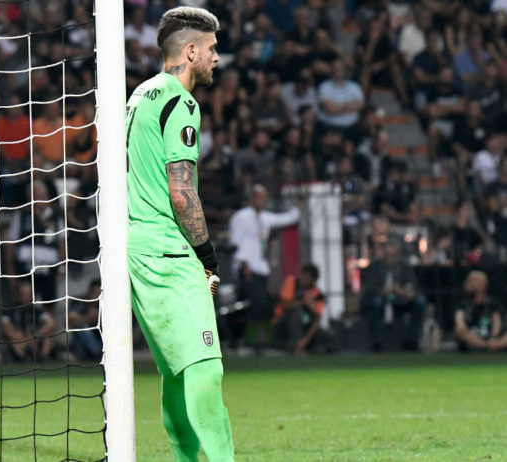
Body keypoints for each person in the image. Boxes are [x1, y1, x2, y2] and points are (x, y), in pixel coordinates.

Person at [125, 7, 234, 462]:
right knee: (205, 366)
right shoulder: (180, 102)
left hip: (136, 247)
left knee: (176, 368)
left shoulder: (139, 95)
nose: (216, 58)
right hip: (169, 250)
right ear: (190, 51)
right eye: (211, 49)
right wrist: (207, 256)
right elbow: (182, 193)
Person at [229, 184, 300, 346]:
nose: (262, 201)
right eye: (260, 198)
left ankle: (255, 339)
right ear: (252, 198)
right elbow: (236, 243)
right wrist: (244, 264)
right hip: (247, 268)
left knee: (260, 305)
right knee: (251, 304)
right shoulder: (241, 217)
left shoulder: (264, 218)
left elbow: (286, 218)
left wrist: (298, 206)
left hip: (261, 268)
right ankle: (246, 340)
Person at [361, 237, 426, 351]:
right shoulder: (375, 267)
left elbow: (412, 287)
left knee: (420, 301)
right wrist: (384, 291)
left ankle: (413, 341)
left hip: (400, 300)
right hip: (381, 299)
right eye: (388, 254)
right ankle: (377, 342)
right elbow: (370, 288)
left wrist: (401, 291)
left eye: (393, 255)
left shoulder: (404, 268)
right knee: (375, 302)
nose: (390, 258)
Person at [273, 263, 325, 353]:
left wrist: (305, 340)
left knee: (322, 333)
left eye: (306, 277)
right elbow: (284, 304)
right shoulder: (292, 282)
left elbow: (317, 318)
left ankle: (306, 346)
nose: (302, 278)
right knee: (296, 312)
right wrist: (304, 303)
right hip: (283, 323)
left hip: (304, 325)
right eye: (302, 275)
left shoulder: (318, 296)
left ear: (313, 280)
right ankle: (294, 346)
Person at [455, 271, 507, 351]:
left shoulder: (492, 303)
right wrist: (462, 327)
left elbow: (497, 320)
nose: (472, 284)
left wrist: (494, 336)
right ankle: (485, 347)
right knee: (458, 331)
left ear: (484, 284)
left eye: (475, 281)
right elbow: (459, 321)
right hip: (472, 337)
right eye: (470, 281)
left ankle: (495, 345)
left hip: (490, 336)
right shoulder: (463, 304)